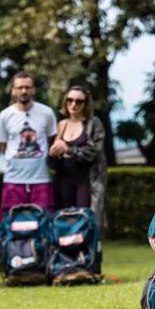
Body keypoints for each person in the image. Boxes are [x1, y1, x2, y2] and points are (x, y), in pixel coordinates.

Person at [0, 72, 57, 218]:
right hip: (13, 179)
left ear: (33, 90)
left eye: (28, 87)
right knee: (12, 221)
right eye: (20, 87)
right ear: (13, 90)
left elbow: (51, 140)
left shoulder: (47, 113)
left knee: (43, 221)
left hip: (41, 178)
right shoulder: (5, 115)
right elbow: (3, 146)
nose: (24, 91)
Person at [49, 85, 108, 231]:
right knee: (63, 222)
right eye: (70, 100)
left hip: (86, 181)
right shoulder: (61, 125)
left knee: (85, 222)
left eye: (78, 101)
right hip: (63, 179)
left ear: (85, 104)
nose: (73, 104)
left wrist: (68, 149)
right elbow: (54, 157)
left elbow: (93, 152)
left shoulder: (94, 124)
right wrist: (52, 154)